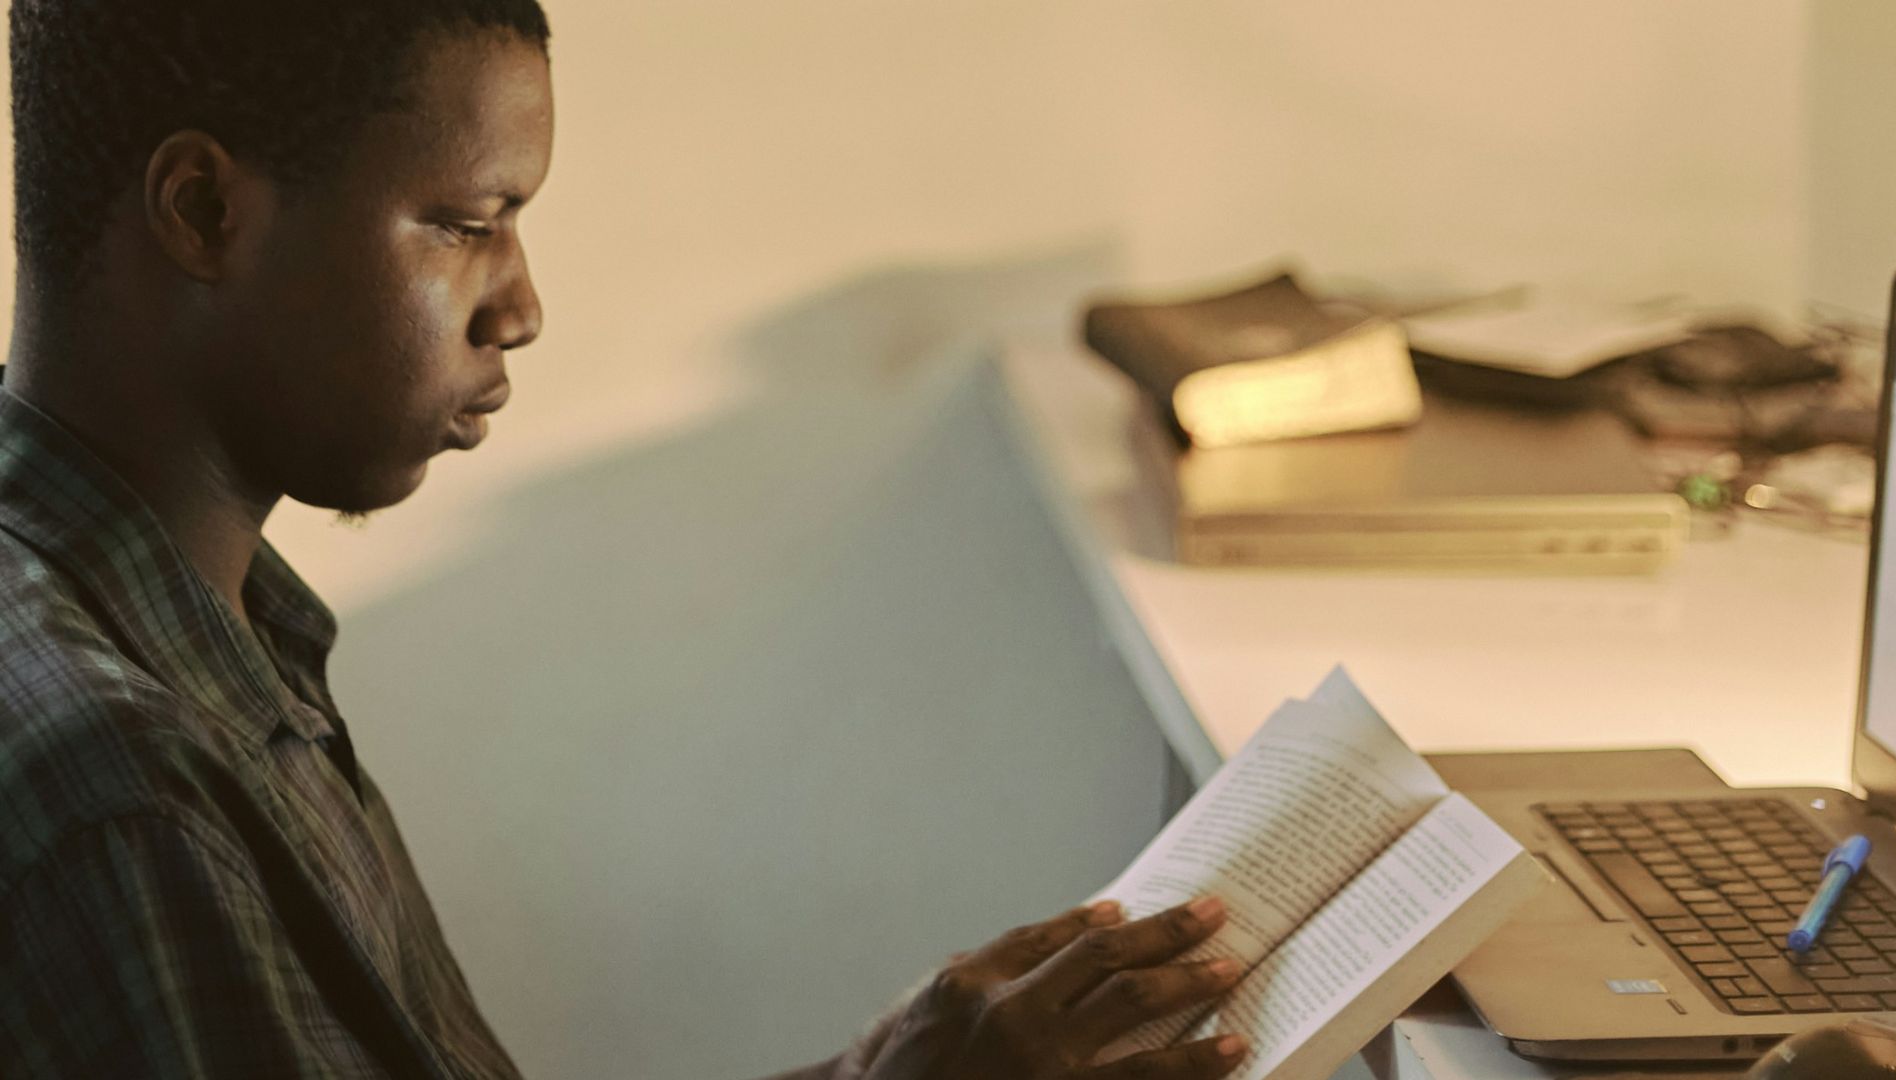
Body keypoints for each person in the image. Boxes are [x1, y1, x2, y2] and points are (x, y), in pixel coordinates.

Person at [0, 2, 1252, 1077]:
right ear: (205, 208)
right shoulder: (123, 796)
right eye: (464, 221)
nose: (522, 306)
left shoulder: (205, 624)